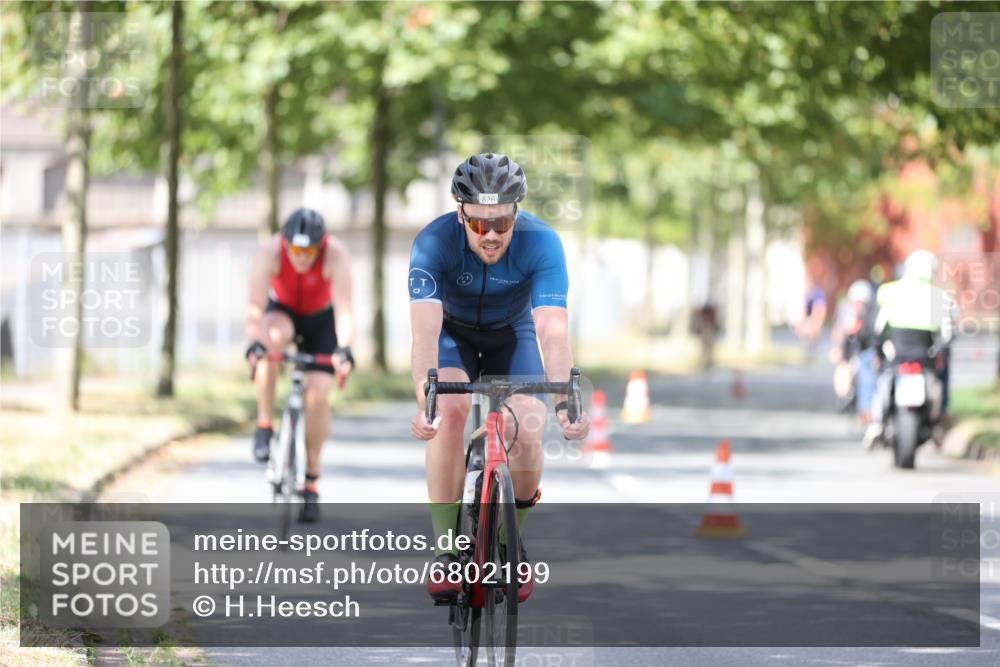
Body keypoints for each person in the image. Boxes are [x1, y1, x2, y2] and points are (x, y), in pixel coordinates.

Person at [408, 153, 591, 603]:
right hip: (454, 337)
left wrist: (567, 404)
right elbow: (425, 334)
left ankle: (513, 544)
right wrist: (423, 400)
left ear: (516, 215)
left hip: (515, 335)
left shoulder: (542, 242)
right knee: (449, 411)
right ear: (460, 214)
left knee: (528, 426)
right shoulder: (433, 243)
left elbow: (551, 331)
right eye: (477, 225)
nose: (490, 235)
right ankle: (449, 552)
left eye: (502, 224)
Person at [245, 208, 355, 522]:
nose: (302, 257)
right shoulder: (269, 252)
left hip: (321, 320)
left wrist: (345, 348)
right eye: (296, 250)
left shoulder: (335, 255)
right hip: (283, 312)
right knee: (270, 340)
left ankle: (311, 480)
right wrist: (254, 342)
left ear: (321, 245)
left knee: (318, 393)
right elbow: (254, 308)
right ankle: (264, 425)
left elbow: (345, 310)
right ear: (285, 243)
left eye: (309, 251)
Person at [863, 250, 956, 449]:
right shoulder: (941, 297)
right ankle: (941, 418)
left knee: (877, 375)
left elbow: (877, 328)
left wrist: (878, 350)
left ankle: (875, 422)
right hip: (926, 357)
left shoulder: (888, 291)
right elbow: (947, 335)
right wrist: (942, 353)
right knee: (944, 373)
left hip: (896, 355)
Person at [830, 279, 878, 420]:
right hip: (849, 348)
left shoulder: (871, 313)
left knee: (866, 371)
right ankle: (844, 396)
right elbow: (839, 331)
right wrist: (837, 349)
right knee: (842, 370)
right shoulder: (846, 310)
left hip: (865, 349)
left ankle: (866, 409)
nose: (858, 306)